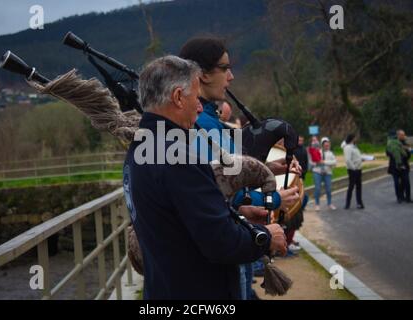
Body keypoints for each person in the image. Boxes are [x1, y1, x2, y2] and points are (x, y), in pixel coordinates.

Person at [123, 55, 288, 300]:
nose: (200, 108)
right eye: (195, 98)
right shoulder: (177, 155)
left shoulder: (139, 151)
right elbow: (219, 242)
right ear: (178, 97)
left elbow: (180, 220)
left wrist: (236, 212)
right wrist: (265, 239)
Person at [179, 37, 300, 300]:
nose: (231, 76)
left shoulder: (209, 121)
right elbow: (217, 191)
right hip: (225, 244)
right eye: (225, 68)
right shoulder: (205, 126)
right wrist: (276, 198)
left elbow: (226, 174)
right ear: (202, 74)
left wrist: (268, 169)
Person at [311, 137, 337, 211]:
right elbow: (314, 161)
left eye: (328, 145)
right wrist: (317, 162)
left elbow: (334, 163)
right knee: (318, 189)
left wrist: (325, 162)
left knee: (328, 189)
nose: (327, 146)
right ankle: (317, 204)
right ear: (322, 145)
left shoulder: (331, 153)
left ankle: (329, 204)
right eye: (325, 145)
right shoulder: (317, 151)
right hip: (317, 172)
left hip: (327, 173)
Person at [387, 130, 411, 203]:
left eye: (404, 135)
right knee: (396, 183)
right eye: (402, 135)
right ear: (398, 136)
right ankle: (399, 197)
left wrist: (405, 153)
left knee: (406, 182)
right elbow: (388, 153)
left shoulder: (405, 144)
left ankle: (408, 198)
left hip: (404, 166)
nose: (404, 136)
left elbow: (408, 155)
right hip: (394, 166)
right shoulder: (391, 144)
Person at [343, 134, 364, 209]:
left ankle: (359, 203)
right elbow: (348, 160)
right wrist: (353, 168)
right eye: (355, 138)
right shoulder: (348, 147)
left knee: (359, 186)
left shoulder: (355, 147)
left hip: (358, 169)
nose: (356, 139)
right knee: (351, 186)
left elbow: (357, 157)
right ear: (352, 138)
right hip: (353, 170)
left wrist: (361, 159)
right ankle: (347, 204)